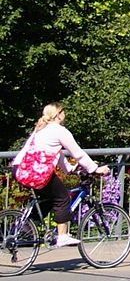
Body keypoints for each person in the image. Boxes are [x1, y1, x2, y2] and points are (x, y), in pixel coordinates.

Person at [16, 103, 109, 247]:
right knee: (63, 197)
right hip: (36, 173)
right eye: (64, 111)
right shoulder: (60, 131)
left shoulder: (41, 129)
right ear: (59, 114)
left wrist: (69, 169)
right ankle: (62, 236)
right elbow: (78, 153)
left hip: (20, 169)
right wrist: (95, 169)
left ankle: (26, 226)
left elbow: (55, 153)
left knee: (48, 197)